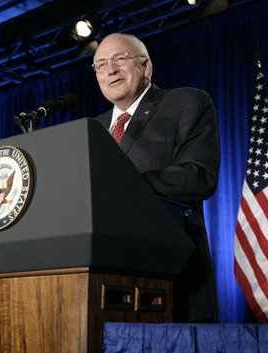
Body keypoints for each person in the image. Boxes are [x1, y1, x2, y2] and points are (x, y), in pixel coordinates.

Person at [93, 33, 220, 322]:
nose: (110, 69)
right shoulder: (92, 130)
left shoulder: (186, 103)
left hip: (171, 274)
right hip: (106, 278)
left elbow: (198, 176)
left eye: (120, 59)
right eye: (100, 64)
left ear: (146, 67)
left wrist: (121, 185)